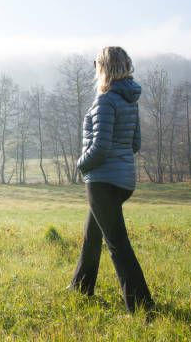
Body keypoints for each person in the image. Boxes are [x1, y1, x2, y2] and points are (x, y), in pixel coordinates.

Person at [68, 46, 154, 313]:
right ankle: (81, 286)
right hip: (123, 180)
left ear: (105, 67)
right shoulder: (129, 100)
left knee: (117, 243)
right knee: (92, 235)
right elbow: (135, 143)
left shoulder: (105, 101)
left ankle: (141, 305)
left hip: (102, 180)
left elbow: (101, 147)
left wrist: (81, 165)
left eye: (97, 65)